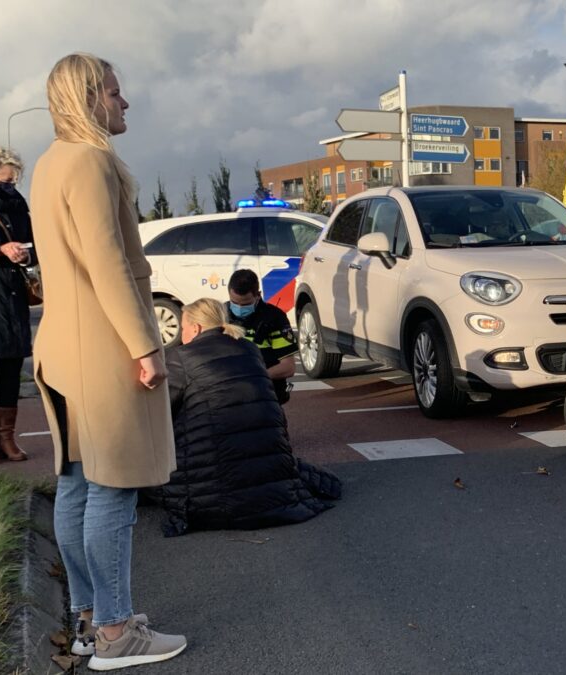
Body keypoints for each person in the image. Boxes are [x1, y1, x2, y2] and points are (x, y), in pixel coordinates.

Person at [30, 53, 186, 670]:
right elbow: (108, 261)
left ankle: (91, 619)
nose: (126, 104)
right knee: (114, 488)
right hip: (103, 348)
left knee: (75, 484)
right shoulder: (92, 162)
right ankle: (118, 635)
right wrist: (145, 346)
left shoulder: (47, 164)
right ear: (92, 97)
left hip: (60, 348)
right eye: (117, 93)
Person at [153, 298, 340, 536]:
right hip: (269, 462)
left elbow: (162, 413)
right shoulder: (250, 350)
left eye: (184, 326)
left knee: (148, 476)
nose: (182, 332)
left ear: (196, 328)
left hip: (210, 481)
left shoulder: (180, 358)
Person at [0, 147, 34, 465]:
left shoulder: (18, 206)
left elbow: (35, 244)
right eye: (6, 177)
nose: (11, 182)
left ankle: (6, 438)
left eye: (14, 177)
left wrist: (27, 254)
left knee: (10, 371)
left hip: (14, 296)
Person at [225, 268, 297, 404]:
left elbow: (288, 367)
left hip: (265, 394)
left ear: (258, 295)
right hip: (230, 395)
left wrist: (255, 376)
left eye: (245, 304)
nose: (239, 308)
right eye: (234, 303)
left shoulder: (274, 318)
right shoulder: (222, 314)